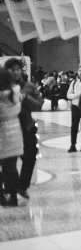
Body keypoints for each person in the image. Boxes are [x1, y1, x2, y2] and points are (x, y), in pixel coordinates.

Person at [5, 58, 43, 200]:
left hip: (27, 127)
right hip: (9, 128)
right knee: (9, 162)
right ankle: (10, 189)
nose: (15, 72)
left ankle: (22, 186)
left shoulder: (29, 86)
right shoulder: (3, 86)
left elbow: (38, 104)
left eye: (17, 69)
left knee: (30, 157)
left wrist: (25, 98)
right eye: (12, 69)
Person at [0, 68, 24, 207]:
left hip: (2, 133)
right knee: (12, 167)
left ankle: (1, 195)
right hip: (15, 131)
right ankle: (13, 197)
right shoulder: (15, 93)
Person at [66, 65, 81, 152]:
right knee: (74, 127)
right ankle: (73, 145)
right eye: (79, 70)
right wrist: (77, 95)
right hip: (76, 107)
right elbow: (68, 95)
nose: (80, 72)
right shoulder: (74, 82)